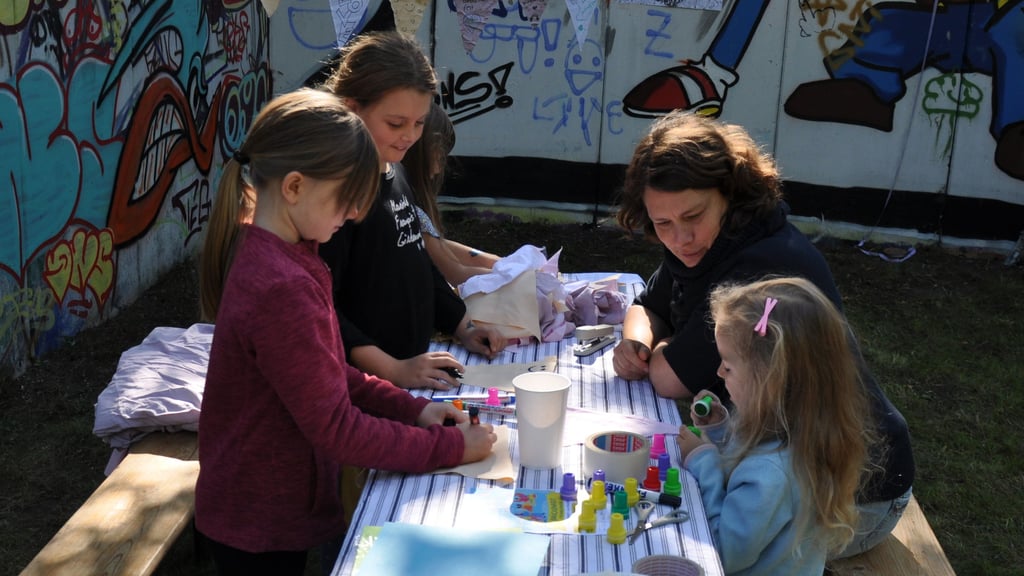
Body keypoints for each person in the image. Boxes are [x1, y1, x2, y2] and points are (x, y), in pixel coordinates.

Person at [195, 88, 496, 576]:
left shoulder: (292, 255)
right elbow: (336, 428)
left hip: (269, 505)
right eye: (345, 200)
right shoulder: (281, 286)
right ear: (294, 187)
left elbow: (331, 373)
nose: (355, 214)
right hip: (258, 519)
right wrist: (449, 448)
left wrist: (413, 409)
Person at [612, 111, 913, 557]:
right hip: (776, 459)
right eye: (662, 224)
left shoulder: (756, 269)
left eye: (693, 216)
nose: (681, 238)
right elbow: (645, 306)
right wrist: (636, 343)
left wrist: (660, 349)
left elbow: (667, 378)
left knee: (678, 536)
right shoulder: (706, 245)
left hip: (857, 499)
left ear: (730, 195)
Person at [319, 31, 505, 391]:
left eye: (419, 123)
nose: (409, 136)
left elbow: (418, 264)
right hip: (368, 385)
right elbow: (321, 307)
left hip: (412, 373)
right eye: (395, 123)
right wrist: (390, 369)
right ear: (352, 107)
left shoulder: (396, 169)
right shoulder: (333, 197)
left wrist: (462, 325)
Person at [678, 276, 871, 575]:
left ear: (771, 379)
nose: (718, 371)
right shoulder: (796, 433)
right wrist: (718, 432)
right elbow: (743, 462)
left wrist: (704, 463)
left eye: (728, 366)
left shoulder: (771, 474)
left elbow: (720, 554)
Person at [404, 100, 500, 287]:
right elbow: (455, 272)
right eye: (440, 153)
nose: (442, 164)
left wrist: (499, 263)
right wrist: (513, 276)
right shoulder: (410, 210)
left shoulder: (411, 202)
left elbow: (441, 245)